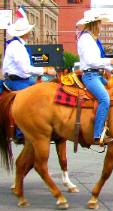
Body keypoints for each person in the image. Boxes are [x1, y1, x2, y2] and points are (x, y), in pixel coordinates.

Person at [2, 8, 56, 141]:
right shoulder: (16, 46)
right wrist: (45, 70)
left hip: (23, 79)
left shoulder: (18, 45)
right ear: (25, 33)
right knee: (31, 99)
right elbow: (25, 68)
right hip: (16, 81)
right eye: (29, 31)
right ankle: (22, 132)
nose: (31, 33)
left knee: (43, 89)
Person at [77, 11, 113, 143]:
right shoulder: (85, 39)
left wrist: (111, 69)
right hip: (90, 76)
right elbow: (91, 61)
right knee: (104, 99)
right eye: (100, 23)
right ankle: (98, 134)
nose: (101, 26)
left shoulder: (92, 40)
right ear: (94, 24)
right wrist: (109, 61)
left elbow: (98, 60)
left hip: (97, 74)